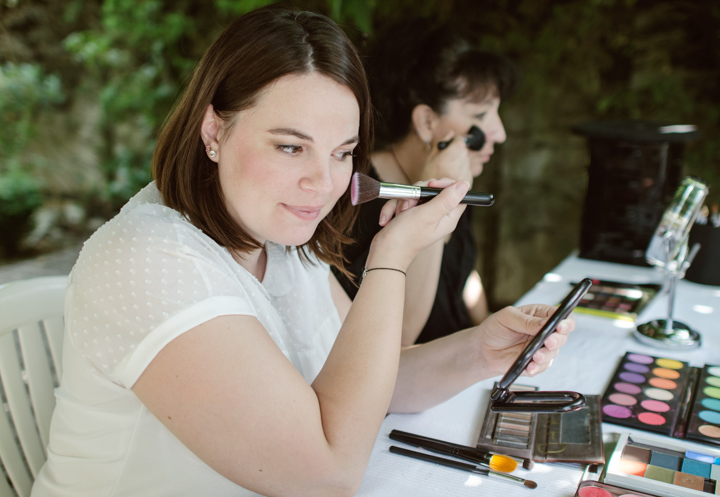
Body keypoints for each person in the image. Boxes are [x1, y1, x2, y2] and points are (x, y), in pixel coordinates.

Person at [32, 6, 574, 496]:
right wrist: (390, 259)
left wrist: (480, 351)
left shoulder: (280, 240)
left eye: (342, 153)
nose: (323, 183)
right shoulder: (150, 264)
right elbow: (329, 475)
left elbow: (368, 385)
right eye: (291, 147)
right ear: (213, 130)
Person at [333, 19, 518, 345]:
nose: (499, 133)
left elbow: (463, 277)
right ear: (427, 121)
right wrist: (432, 203)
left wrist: (500, 333)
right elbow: (400, 338)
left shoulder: (459, 179)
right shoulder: (356, 197)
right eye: (480, 116)